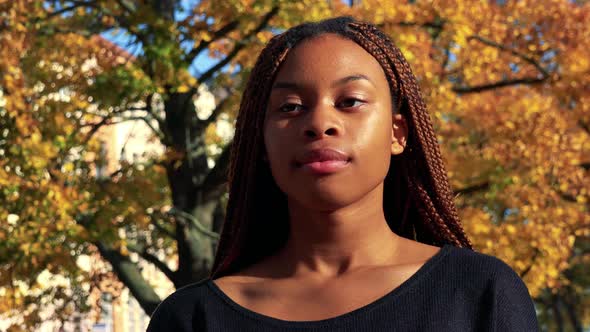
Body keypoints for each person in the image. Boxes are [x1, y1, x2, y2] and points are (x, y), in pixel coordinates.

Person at [147, 16, 539, 331]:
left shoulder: (480, 293)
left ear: (397, 133)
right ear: (262, 144)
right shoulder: (191, 318)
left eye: (350, 101)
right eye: (290, 107)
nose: (320, 122)